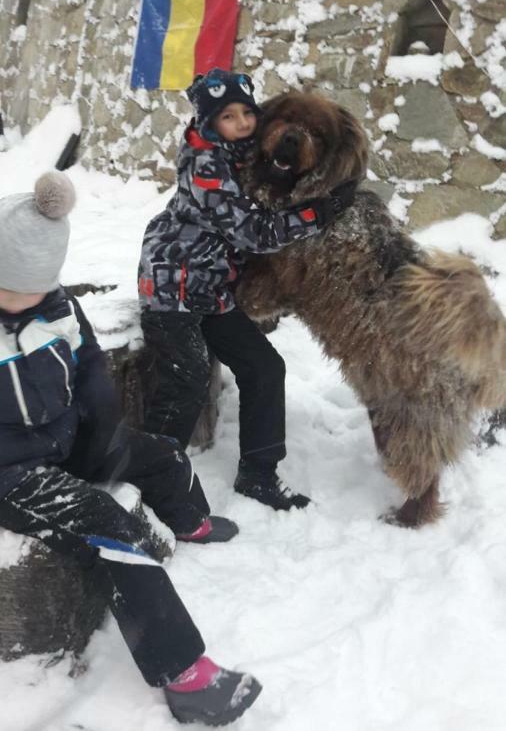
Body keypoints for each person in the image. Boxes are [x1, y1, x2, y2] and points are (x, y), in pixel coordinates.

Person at [0, 171, 261, 727]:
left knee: (162, 453)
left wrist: (102, 430)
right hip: (13, 472)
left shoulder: (56, 306)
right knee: (110, 529)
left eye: (36, 289)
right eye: (10, 290)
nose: (24, 302)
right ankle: (185, 676)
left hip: (64, 439)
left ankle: (188, 521)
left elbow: (91, 365)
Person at [139, 67, 356, 511]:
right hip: (173, 288)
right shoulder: (205, 166)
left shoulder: (246, 156)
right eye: (227, 117)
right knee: (187, 377)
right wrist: (317, 214)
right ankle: (149, 479)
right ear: (207, 124)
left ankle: (258, 472)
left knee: (264, 367)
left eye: (246, 113)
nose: (240, 123)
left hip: (212, 292)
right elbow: (253, 232)